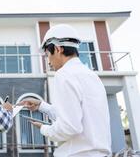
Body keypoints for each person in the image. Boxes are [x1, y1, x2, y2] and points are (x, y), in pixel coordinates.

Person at [19, 24, 111, 157]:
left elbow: (69, 127)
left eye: (47, 55)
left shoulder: (64, 75)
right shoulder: (91, 76)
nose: (48, 61)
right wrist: (41, 106)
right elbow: (76, 115)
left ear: (57, 49)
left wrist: (44, 129)